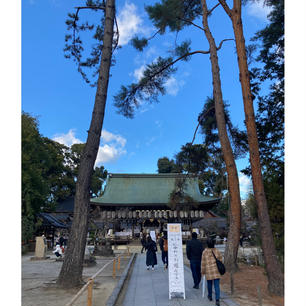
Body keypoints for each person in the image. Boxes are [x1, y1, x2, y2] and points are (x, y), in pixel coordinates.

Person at [201, 238, 223, 306]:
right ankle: (217, 299)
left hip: (208, 271)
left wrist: (203, 272)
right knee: (217, 285)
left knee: (209, 284)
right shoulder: (217, 251)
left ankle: (210, 296)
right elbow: (220, 260)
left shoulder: (204, 252)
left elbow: (203, 263)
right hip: (216, 270)